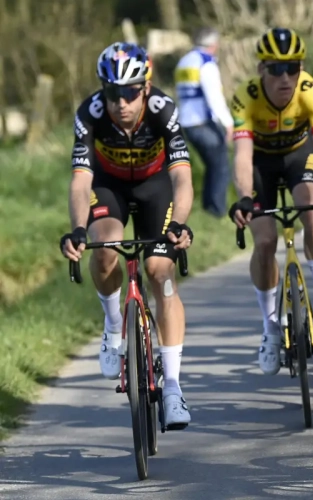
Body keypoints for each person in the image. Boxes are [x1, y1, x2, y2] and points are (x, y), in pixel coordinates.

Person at [60, 42, 194, 429]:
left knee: (159, 271)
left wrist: (179, 223)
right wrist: (78, 229)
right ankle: (113, 323)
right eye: (113, 92)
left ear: (146, 88)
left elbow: (182, 175)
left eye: (131, 92)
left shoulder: (163, 111)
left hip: (155, 187)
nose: (122, 102)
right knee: (103, 252)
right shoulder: (90, 114)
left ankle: (172, 388)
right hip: (109, 186)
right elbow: (80, 182)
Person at [228, 28, 313, 376]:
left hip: (299, 157)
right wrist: (245, 198)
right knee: (264, 241)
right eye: (276, 69)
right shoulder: (245, 97)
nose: (285, 77)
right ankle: (270, 329)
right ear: (261, 69)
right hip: (261, 165)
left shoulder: (310, 91)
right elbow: (243, 157)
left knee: (311, 210)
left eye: (292, 68)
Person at [175, 26, 234, 218]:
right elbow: (214, 97)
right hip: (202, 121)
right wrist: (228, 123)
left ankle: (209, 209)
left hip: (185, 122)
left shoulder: (184, 62)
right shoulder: (206, 63)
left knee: (211, 165)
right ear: (213, 45)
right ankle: (216, 211)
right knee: (221, 165)